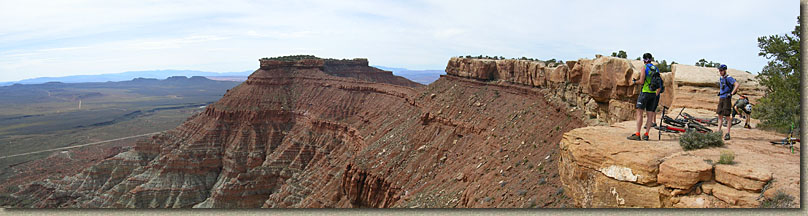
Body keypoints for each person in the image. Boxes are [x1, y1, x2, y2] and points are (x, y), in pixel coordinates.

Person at [627, 53, 660, 141]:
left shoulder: (644, 68)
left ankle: (637, 134)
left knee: (639, 113)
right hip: (653, 94)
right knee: (649, 115)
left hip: (645, 92)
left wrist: (635, 82)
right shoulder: (656, 68)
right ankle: (646, 134)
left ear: (644, 59)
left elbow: (641, 81)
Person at [716, 64, 740, 140]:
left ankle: (728, 133)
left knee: (727, 116)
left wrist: (731, 93)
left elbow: (737, 84)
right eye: (719, 70)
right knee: (719, 115)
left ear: (725, 70)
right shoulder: (721, 78)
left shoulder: (729, 78)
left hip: (727, 98)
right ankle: (718, 132)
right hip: (722, 97)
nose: (720, 72)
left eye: (721, 70)